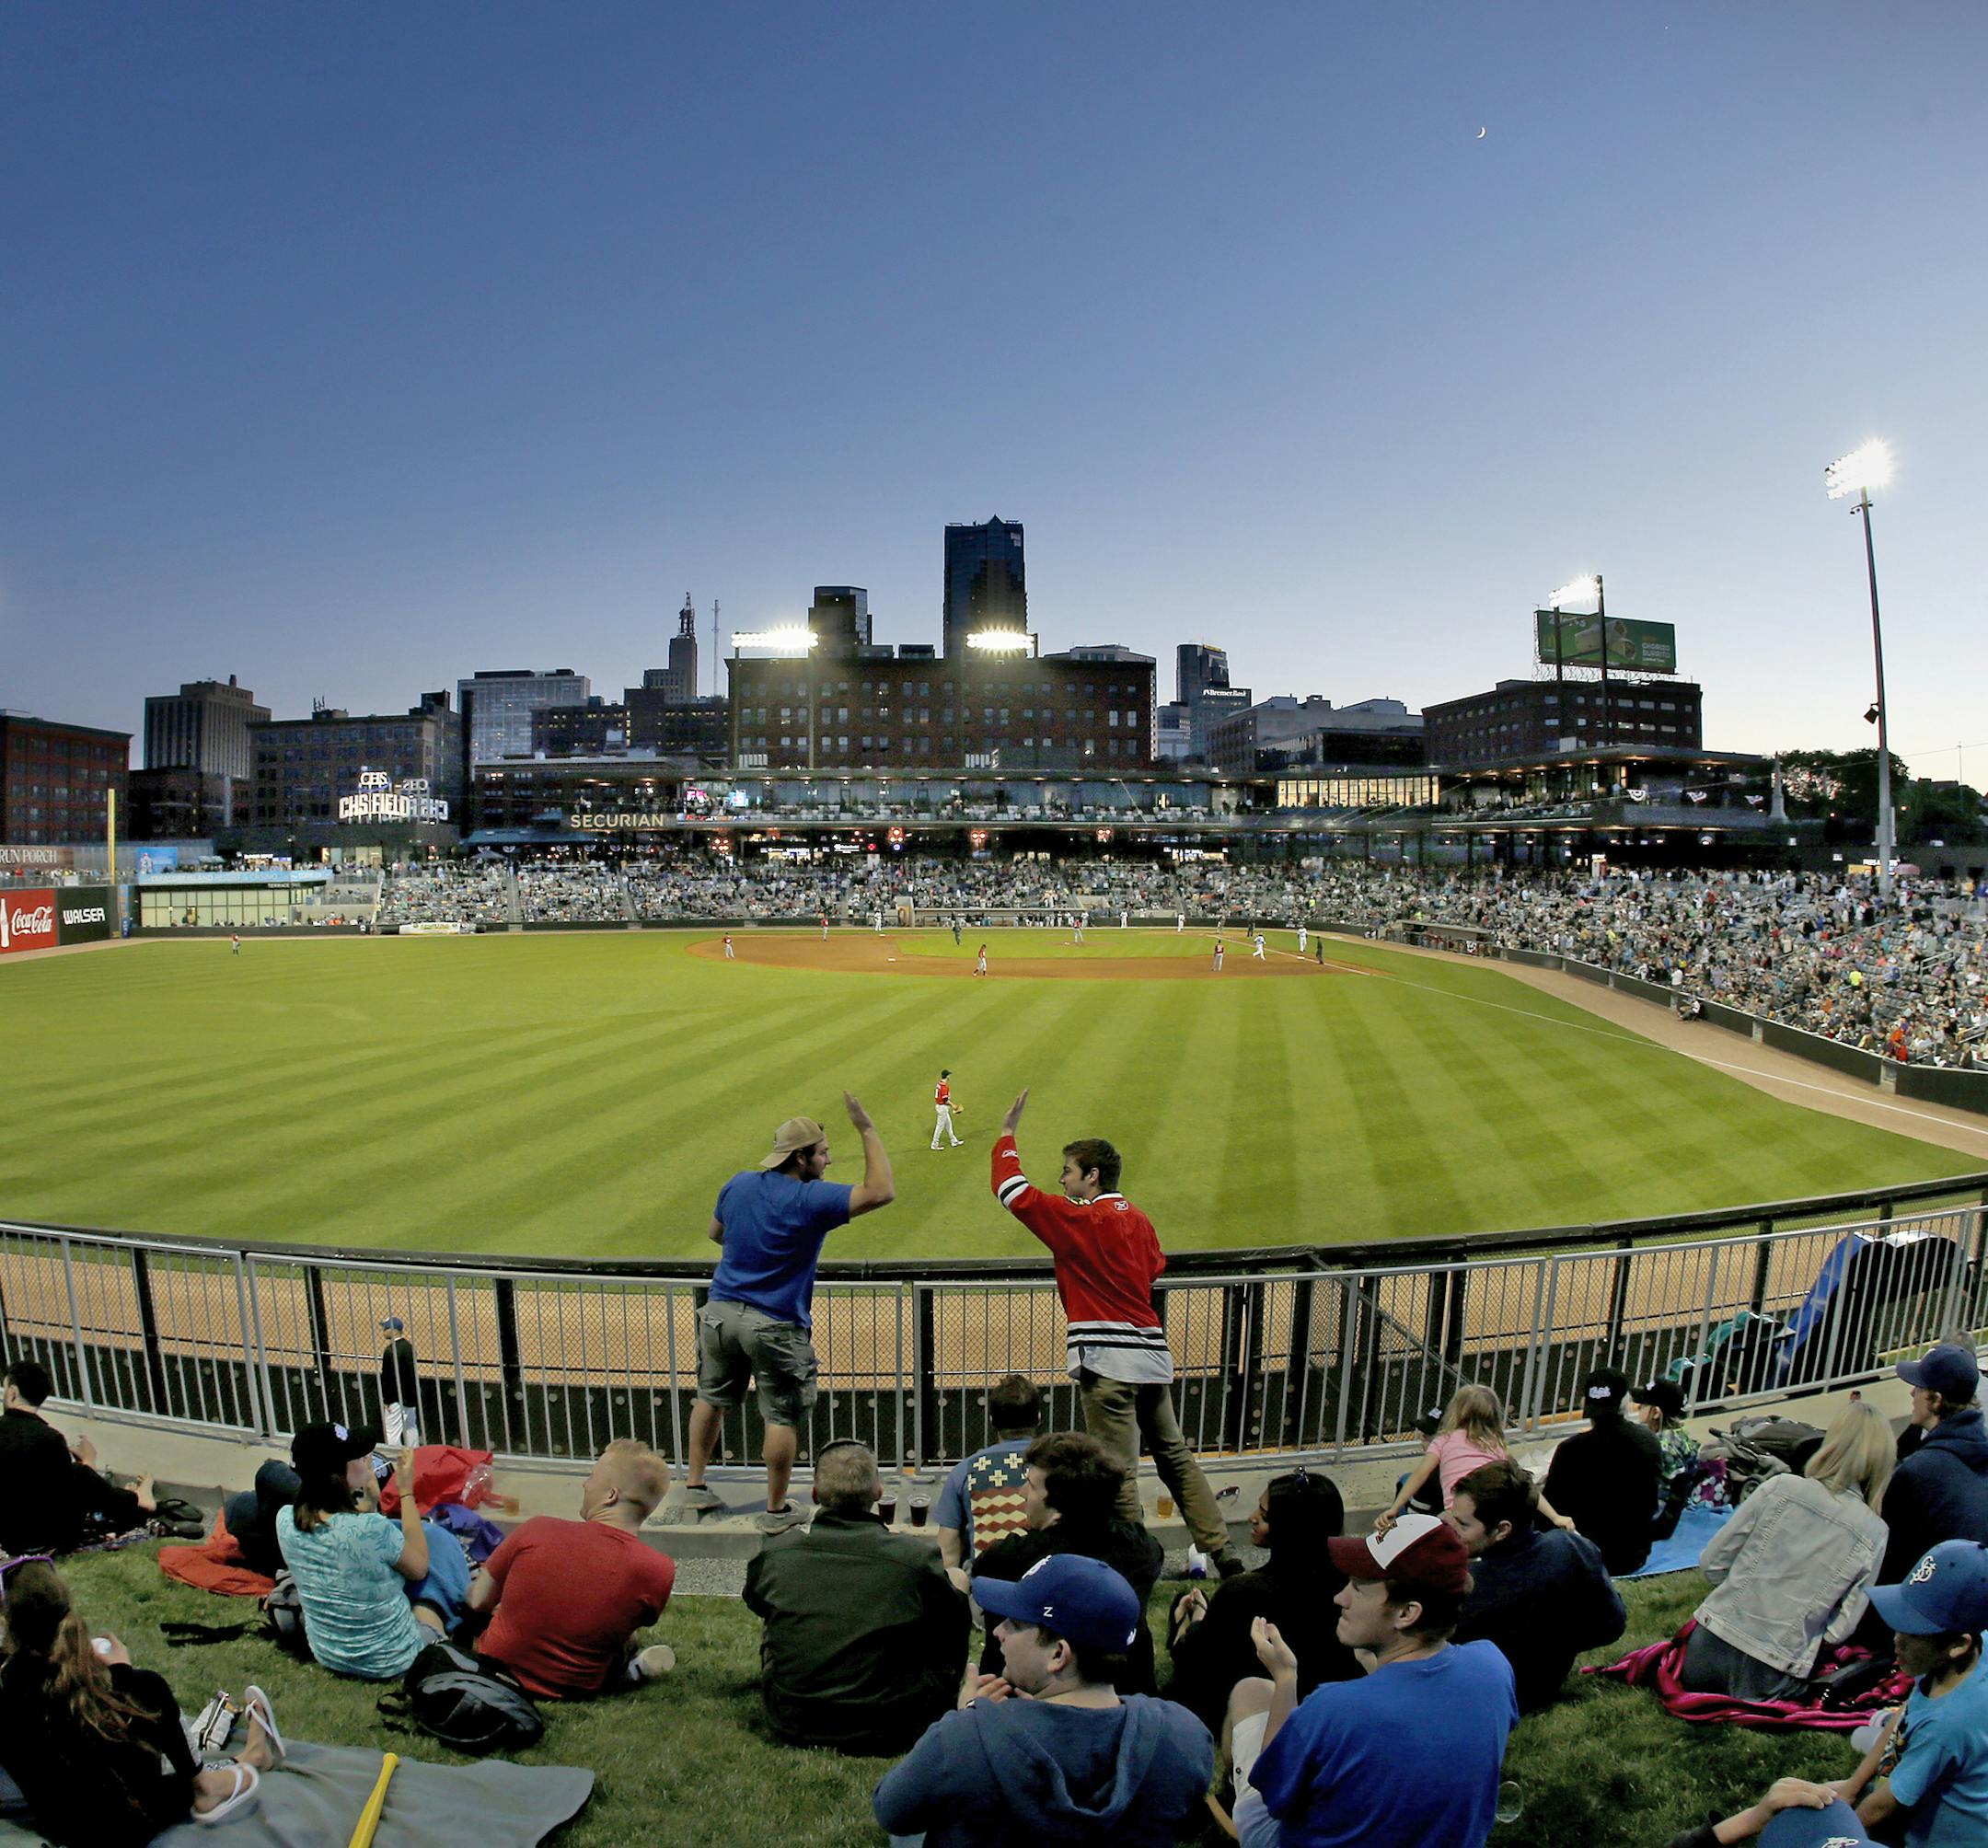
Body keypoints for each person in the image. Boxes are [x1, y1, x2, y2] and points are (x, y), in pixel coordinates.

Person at [989, 1089, 1241, 1577]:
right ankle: (1224, 1553)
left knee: (1115, 1472)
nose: (1061, 1180)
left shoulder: (1083, 1219)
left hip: (1107, 1362)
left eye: (1068, 1171)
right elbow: (1153, 1269)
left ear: (1092, 1176)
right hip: (1151, 1355)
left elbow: (1013, 1192)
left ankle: (1131, 1565)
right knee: (1176, 1459)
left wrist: (1006, 1137)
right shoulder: (1139, 1220)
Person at [874, 1554, 1214, 1848]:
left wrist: (969, 1718)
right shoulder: (1183, 1735)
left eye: (1016, 1623)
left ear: (1058, 1654)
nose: (998, 1632)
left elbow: (892, 1811)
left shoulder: (964, 1740)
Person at [1227, 1514, 1519, 1848]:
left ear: (1407, 1613)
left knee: (1250, 1691)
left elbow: (1274, 1795)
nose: (1340, 1598)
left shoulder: (1334, 1708)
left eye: (1358, 1588)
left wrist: (1285, 1678)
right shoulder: (1493, 1665)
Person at [680, 1093, 895, 1534]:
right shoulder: (810, 1199)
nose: (829, 1161)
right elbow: (881, 1191)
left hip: (719, 1313)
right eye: (823, 1152)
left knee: (711, 1398)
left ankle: (695, 1485)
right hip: (773, 1323)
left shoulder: (739, 1183)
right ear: (801, 1157)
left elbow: (717, 1233)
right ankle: (776, 1511)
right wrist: (867, 1128)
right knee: (781, 1415)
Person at [0, 1557, 279, 1842]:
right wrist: (123, 1673)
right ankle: (209, 1783)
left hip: (63, 1827)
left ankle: (246, 1758)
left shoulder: (10, 1695)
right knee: (149, 1704)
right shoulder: (133, 1690)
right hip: (132, 1822)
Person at [743, 1439, 968, 1756]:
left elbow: (755, 1602)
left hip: (793, 1720)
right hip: (894, 1724)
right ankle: (944, 1697)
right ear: (878, 1493)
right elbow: (950, 1620)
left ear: (815, 1495)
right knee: (955, 1582)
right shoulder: (915, 1558)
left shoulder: (778, 1554)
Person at [1679, 1400, 1892, 1700]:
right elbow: (1838, 1632)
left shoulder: (1780, 1488)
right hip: (1769, 1673)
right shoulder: (1874, 1532)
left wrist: (1742, 1595)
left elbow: (1711, 1563)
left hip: (1704, 1653)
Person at [469, 1439, 677, 1699]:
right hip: (577, 1688)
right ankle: (632, 1671)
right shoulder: (659, 1569)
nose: (585, 1484)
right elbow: (629, 1628)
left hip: (498, 1669)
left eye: (592, 1477)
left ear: (610, 1495)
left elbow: (478, 1601)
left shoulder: (538, 1529)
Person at [1165, 1468, 1359, 1733]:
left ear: (1293, 1528)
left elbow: (1199, 1666)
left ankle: (1190, 1622)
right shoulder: (1353, 1586)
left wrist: (1193, 1629)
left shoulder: (1243, 1593)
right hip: (1325, 1708)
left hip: (1250, 1707)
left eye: (1265, 1516)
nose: (1251, 1518)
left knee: (1187, 1629)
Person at [971, 1431, 1166, 1693]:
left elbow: (982, 1572)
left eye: (1031, 1486)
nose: (1021, 1492)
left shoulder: (1008, 1559)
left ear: (1058, 1505)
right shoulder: (1142, 1549)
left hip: (1020, 1697)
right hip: (1125, 1691)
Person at [275, 1426, 466, 1680]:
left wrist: (370, 1504)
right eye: (357, 1456)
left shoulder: (285, 1519)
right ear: (338, 1475)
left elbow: (346, 1543)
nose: (368, 1458)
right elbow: (419, 1568)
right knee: (433, 1579)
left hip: (330, 1654)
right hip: (396, 1660)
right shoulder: (373, 1529)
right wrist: (406, 1491)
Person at [1835, 1538, 1988, 1845]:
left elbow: (1879, 1810)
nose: (1896, 1640)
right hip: (1934, 1760)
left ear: (1958, 1645)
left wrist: (1836, 1834)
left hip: (1926, 1838)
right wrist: (1851, 1786)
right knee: (1866, 1742)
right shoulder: (1966, 1651)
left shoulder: (1945, 1725)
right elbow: (1908, 1712)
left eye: (1914, 1631)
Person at [1445, 1459, 1626, 1711]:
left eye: (1463, 1524)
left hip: (1486, 1700)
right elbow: (1613, 1625)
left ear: (1502, 1530)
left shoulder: (1468, 1586)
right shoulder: (1574, 1548)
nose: (1453, 1530)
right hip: (1544, 1685)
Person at [0, 1360, 154, 1553]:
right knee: (79, 1475)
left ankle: (132, 1498)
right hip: (47, 1539)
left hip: (6, 1535)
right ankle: (136, 1500)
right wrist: (88, 1463)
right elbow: (63, 1495)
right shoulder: (50, 1439)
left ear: (13, 1393)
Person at [1873, 1343, 1988, 1593]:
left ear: (1936, 1400)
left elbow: (1887, 1567)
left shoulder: (1917, 1472)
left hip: (1918, 1613)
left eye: (1919, 1388)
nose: (1911, 1394)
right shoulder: (1979, 1458)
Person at [1375, 1384, 1567, 1531]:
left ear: (1456, 1411)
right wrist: (1556, 1516)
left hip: (1454, 1516)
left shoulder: (1444, 1440)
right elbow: (1527, 1486)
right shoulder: (1496, 1446)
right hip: (1487, 1519)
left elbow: (1420, 1475)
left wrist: (1394, 1507)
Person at [1541, 1366, 1664, 1576]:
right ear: (1625, 1402)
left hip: (1581, 1557)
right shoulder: (1648, 1441)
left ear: (1585, 1404)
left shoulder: (1570, 1450)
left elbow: (1550, 1513)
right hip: (1631, 1556)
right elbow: (1650, 1503)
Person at [935, 1373, 1043, 1567]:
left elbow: (947, 1553)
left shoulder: (965, 1471)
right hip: (1048, 1581)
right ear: (1038, 1417)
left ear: (992, 1420)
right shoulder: (1058, 1465)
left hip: (985, 1584)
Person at [930, 1068, 963, 1150]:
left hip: (940, 1106)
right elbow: (945, 1100)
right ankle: (934, 1144)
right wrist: (954, 1106)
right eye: (949, 1075)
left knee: (948, 1125)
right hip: (942, 1107)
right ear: (947, 1076)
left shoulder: (939, 1084)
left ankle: (953, 1141)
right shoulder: (944, 1087)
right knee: (940, 1126)